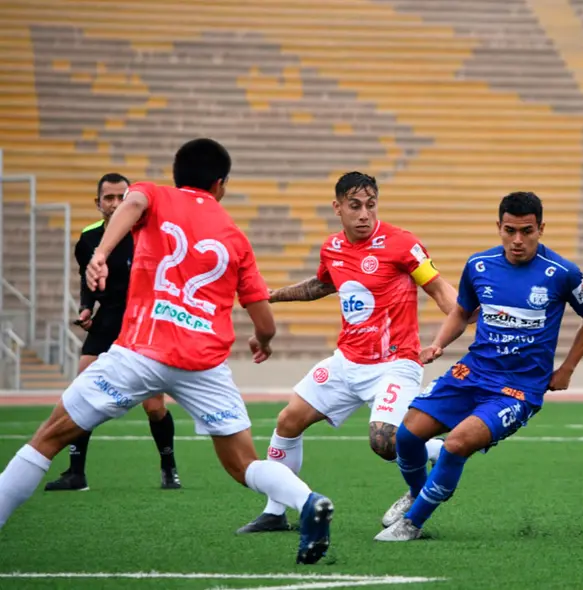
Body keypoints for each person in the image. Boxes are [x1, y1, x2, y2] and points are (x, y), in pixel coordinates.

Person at [0, 138, 333, 564]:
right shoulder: (235, 238)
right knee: (243, 464)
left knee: (48, 438)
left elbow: (132, 204)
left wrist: (100, 253)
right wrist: (262, 341)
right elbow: (264, 320)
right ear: (220, 185)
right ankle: (308, 501)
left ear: (177, 175)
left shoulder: (153, 194)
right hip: (204, 365)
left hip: (141, 350)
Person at [375, 190, 583, 542]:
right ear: (498, 227)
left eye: (526, 231)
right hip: (472, 373)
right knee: (405, 436)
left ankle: (413, 523)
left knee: (456, 444)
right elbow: (462, 312)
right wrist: (438, 344)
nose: (517, 240)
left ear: (541, 228)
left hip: (518, 388)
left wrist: (567, 369)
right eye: (510, 230)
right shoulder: (479, 266)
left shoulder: (562, 273)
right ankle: (418, 493)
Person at [237, 171, 456, 534]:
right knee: (288, 421)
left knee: (384, 442)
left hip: (395, 363)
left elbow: (440, 290)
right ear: (337, 208)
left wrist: (458, 328)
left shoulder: (402, 244)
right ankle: (276, 511)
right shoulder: (332, 248)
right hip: (347, 361)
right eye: (355, 206)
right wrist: (272, 295)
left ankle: (446, 452)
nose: (364, 214)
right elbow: (320, 285)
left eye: (370, 206)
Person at [44, 172, 181, 492]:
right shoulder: (89, 239)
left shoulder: (147, 233)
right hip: (109, 320)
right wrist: (86, 307)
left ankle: (168, 467)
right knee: (79, 392)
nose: (116, 203)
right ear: (98, 203)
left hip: (144, 321)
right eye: (109, 198)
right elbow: (87, 279)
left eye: (123, 197)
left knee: (155, 407)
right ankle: (76, 473)